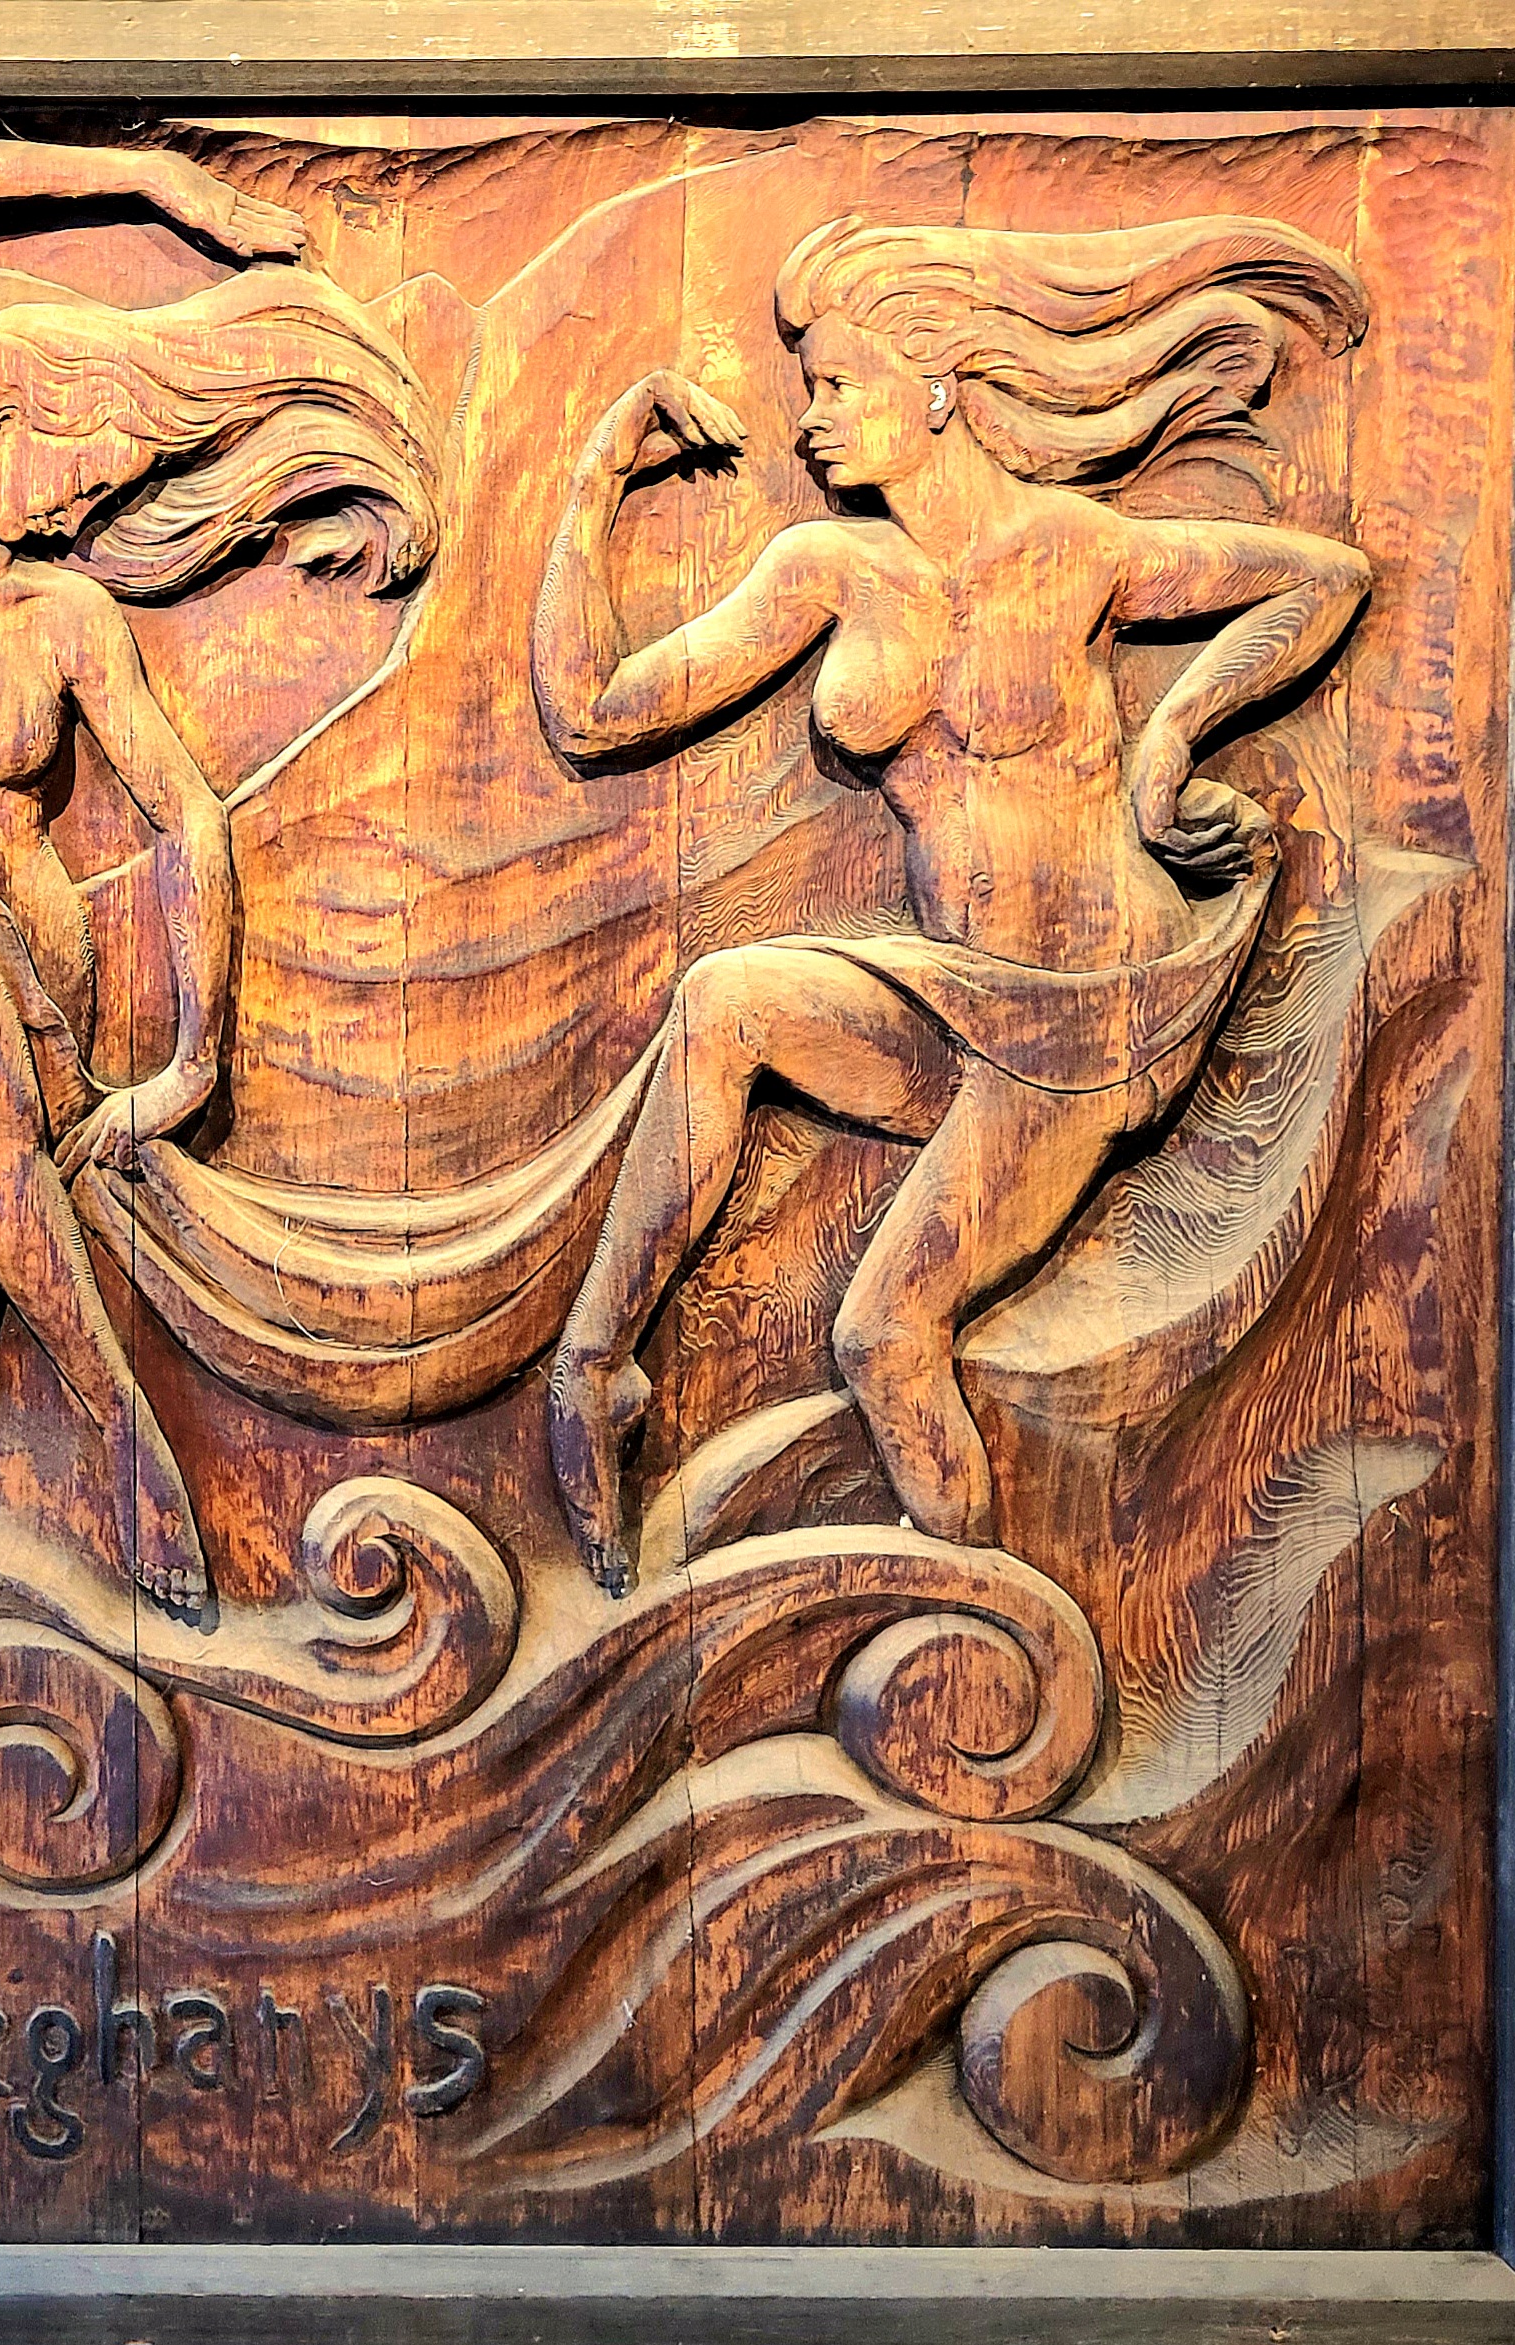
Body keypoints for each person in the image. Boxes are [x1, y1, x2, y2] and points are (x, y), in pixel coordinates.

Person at [530, 213, 1372, 1592]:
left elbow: (1325, 581)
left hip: (1094, 1011)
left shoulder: (1073, 548)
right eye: (807, 388)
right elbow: (596, 712)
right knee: (723, 1001)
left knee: (884, 1336)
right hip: (960, 994)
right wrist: (595, 478)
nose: (812, 418)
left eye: (838, 383)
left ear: (934, 392)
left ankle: (984, 1635)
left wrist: (1172, 741)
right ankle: (592, 1367)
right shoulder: (829, 571)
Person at [0, 141, 441, 1607]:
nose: (87, 506)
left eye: (114, 488)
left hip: (35, 963)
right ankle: (134, 1454)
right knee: (3, 1160)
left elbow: (188, 820)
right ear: (13, 414)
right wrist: (155, 188)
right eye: (85, 466)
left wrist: (194, 1058)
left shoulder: (68, 618)